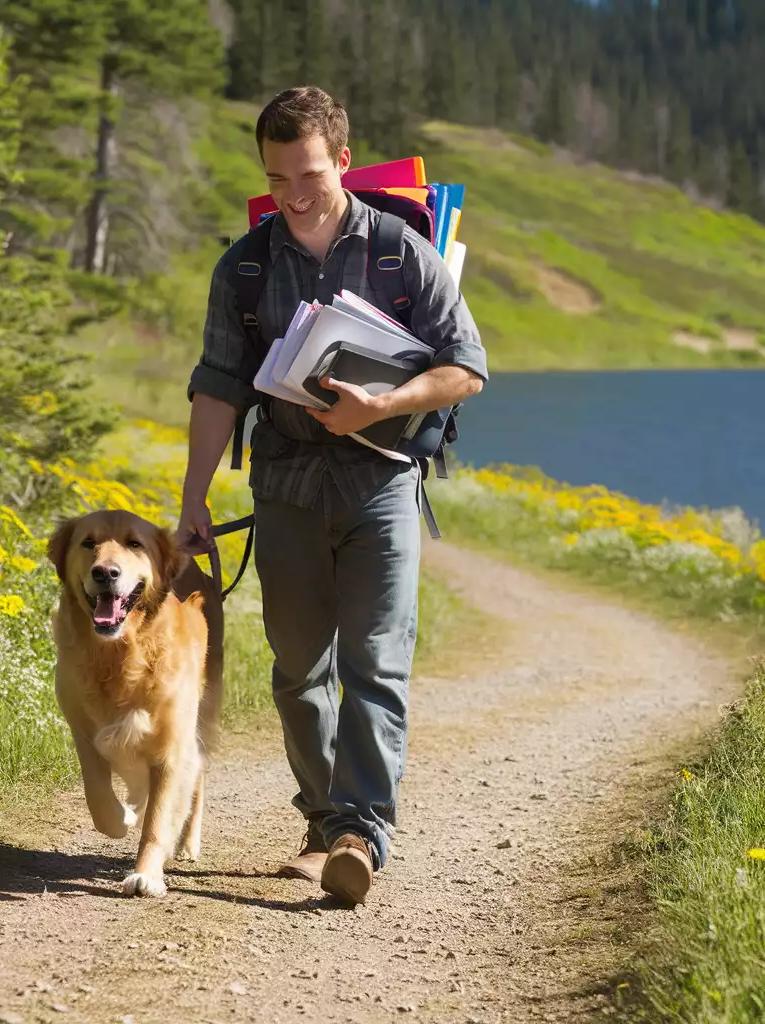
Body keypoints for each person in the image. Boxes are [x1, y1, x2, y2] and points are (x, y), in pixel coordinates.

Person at [176, 86, 488, 905]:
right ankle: (320, 822)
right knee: (296, 671)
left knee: (376, 664)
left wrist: (382, 404)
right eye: (277, 178)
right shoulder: (244, 266)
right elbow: (217, 387)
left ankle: (359, 832)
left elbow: (468, 367)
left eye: (308, 174)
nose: (293, 194)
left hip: (381, 483)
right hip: (284, 485)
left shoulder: (400, 253)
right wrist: (193, 500)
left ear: (343, 160)